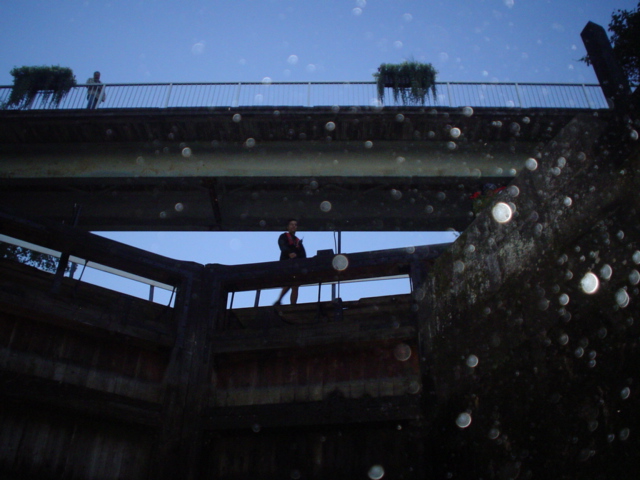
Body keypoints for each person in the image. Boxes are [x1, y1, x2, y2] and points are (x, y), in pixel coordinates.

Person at [274, 218, 307, 305]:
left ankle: (292, 304)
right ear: (288, 227)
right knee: (289, 282)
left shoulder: (298, 242)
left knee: (295, 285)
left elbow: (303, 254)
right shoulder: (284, 236)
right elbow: (282, 245)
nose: (293, 226)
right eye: (292, 224)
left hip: (296, 266)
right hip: (286, 264)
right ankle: (280, 300)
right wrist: (289, 253)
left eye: (295, 225)